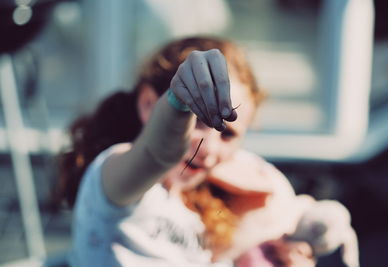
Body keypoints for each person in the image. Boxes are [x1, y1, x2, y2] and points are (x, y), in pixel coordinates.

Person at [54, 36, 265, 266]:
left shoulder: (206, 207)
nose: (209, 148)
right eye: (198, 120)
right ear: (147, 103)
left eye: (228, 135)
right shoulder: (117, 175)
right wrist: (178, 103)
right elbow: (157, 153)